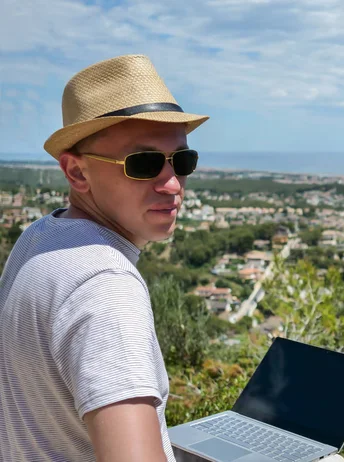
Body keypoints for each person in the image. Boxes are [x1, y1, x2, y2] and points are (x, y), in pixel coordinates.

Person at [0, 54, 209, 462]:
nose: (172, 185)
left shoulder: (40, 239)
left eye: (182, 161)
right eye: (143, 164)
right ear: (77, 173)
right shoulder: (105, 287)